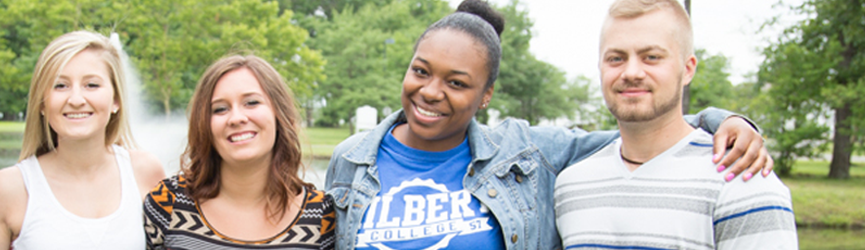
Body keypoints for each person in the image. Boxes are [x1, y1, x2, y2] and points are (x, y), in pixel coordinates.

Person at [323, 0, 776, 249]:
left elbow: (642, 127)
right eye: (421, 71)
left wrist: (723, 121)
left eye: (457, 82)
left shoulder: (525, 151)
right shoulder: (351, 160)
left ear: (486, 97)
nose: (431, 91)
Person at [553, 0, 797, 248]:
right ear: (600, 68)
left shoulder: (742, 179)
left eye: (651, 57)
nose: (632, 72)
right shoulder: (571, 185)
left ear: (688, 69)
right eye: (616, 59)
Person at [0, 31, 165, 249]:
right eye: (60, 85)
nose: (76, 99)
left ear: (116, 100)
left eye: (92, 85)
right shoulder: (8, 188)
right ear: (41, 103)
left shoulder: (144, 172)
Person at [143, 55, 336, 250]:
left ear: (280, 115)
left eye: (251, 103)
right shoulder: (168, 203)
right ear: (204, 124)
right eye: (220, 109)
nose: (236, 118)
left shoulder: (321, 218)